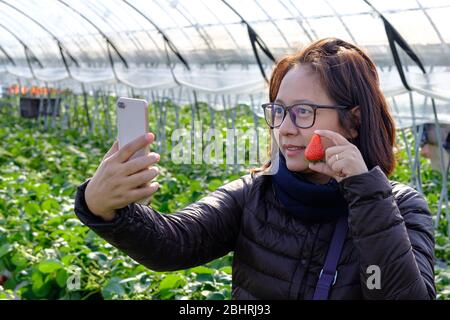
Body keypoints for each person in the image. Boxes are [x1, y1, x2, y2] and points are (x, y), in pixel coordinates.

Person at [74, 38, 435, 299]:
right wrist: (101, 205)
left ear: (353, 122)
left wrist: (367, 194)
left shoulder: (399, 207)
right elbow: (175, 243)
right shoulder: (255, 192)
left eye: (303, 111)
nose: (286, 128)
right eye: (278, 111)